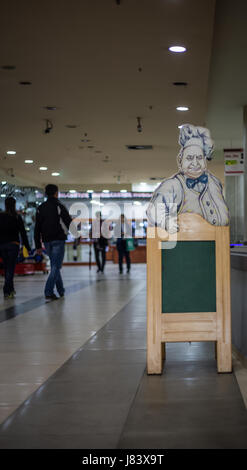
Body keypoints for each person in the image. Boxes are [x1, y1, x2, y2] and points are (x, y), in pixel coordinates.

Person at [147, 124, 229, 231]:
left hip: (218, 244)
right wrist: (166, 222)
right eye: (189, 158)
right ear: (180, 160)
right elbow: (154, 211)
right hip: (185, 246)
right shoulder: (172, 185)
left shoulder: (214, 182)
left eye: (199, 158)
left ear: (204, 160)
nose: (195, 163)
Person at [34, 184, 73, 301]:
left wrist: (37, 245)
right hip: (58, 239)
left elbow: (37, 228)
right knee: (56, 266)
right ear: (56, 193)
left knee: (54, 265)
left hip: (46, 241)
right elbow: (68, 222)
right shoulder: (59, 206)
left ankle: (61, 290)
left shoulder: (40, 207)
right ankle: (48, 291)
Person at [0, 197, 31, 299]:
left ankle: (11, 290)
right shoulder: (17, 217)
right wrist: (27, 246)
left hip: (2, 245)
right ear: (14, 204)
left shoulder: (1, 216)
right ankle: (6, 290)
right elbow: (23, 233)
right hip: (13, 245)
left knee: (6, 267)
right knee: (10, 269)